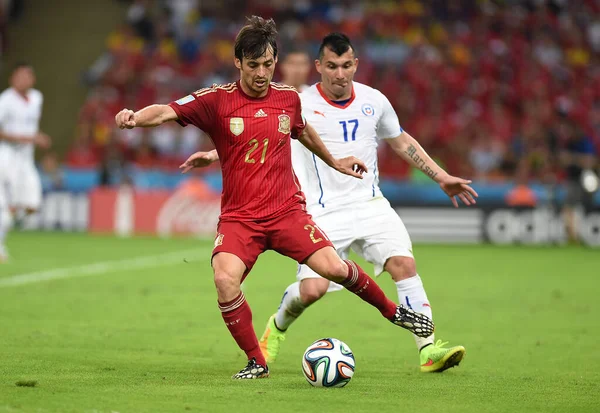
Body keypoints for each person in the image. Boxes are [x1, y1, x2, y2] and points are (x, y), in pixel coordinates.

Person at [114, 16, 434, 380]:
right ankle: (257, 361)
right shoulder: (216, 99)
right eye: (253, 66)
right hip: (240, 218)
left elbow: (304, 133)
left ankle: (393, 312)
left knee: (332, 269)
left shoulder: (287, 99)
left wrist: (336, 161)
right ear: (238, 63)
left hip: (287, 214)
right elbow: (166, 111)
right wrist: (134, 118)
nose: (262, 73)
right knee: (224, 279)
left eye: (268, 64)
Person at [257, 33, 477, 373]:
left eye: (346, 66)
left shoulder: (374, 100)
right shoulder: (299, 103)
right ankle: (277, 326)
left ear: (356, 64)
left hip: (371, 205)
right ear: (319, 67)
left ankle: (428, 348)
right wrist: (215, 155)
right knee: (312, 290)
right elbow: (263, 133)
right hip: (323, 212)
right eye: (332, 66)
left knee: (403, 265)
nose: (340, 74)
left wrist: (440, 176)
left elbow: (401, 141)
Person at [0, 63, 51, 262]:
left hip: (26, 158)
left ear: (33, 79)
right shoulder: (5, 100)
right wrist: (26, 139)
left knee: (32, 204)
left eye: (27, 76)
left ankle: (10, 217)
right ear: (12, 79)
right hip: (7, 156)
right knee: (9, 204)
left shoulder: (37, 98)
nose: (23, 80)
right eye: (19, 76)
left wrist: (37, 137)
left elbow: (30, 128)